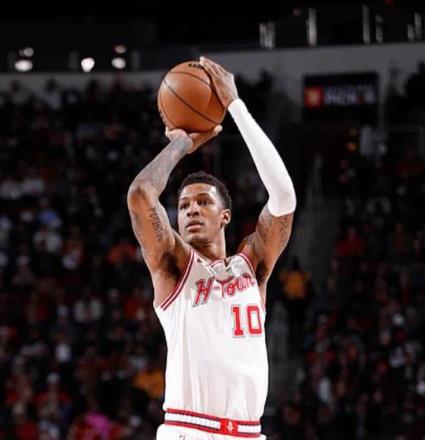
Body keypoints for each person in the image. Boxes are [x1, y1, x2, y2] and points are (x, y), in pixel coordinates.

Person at [127, 56, 296, 440]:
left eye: (203, 202)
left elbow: (284, 197)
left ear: (225, 216)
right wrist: (181, 144)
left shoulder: (253, 264)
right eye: (184, 205)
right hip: (190, 430)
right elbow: (140, 195)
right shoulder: (173, 266)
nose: (191, 210)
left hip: (249, 433)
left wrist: (236, 106)